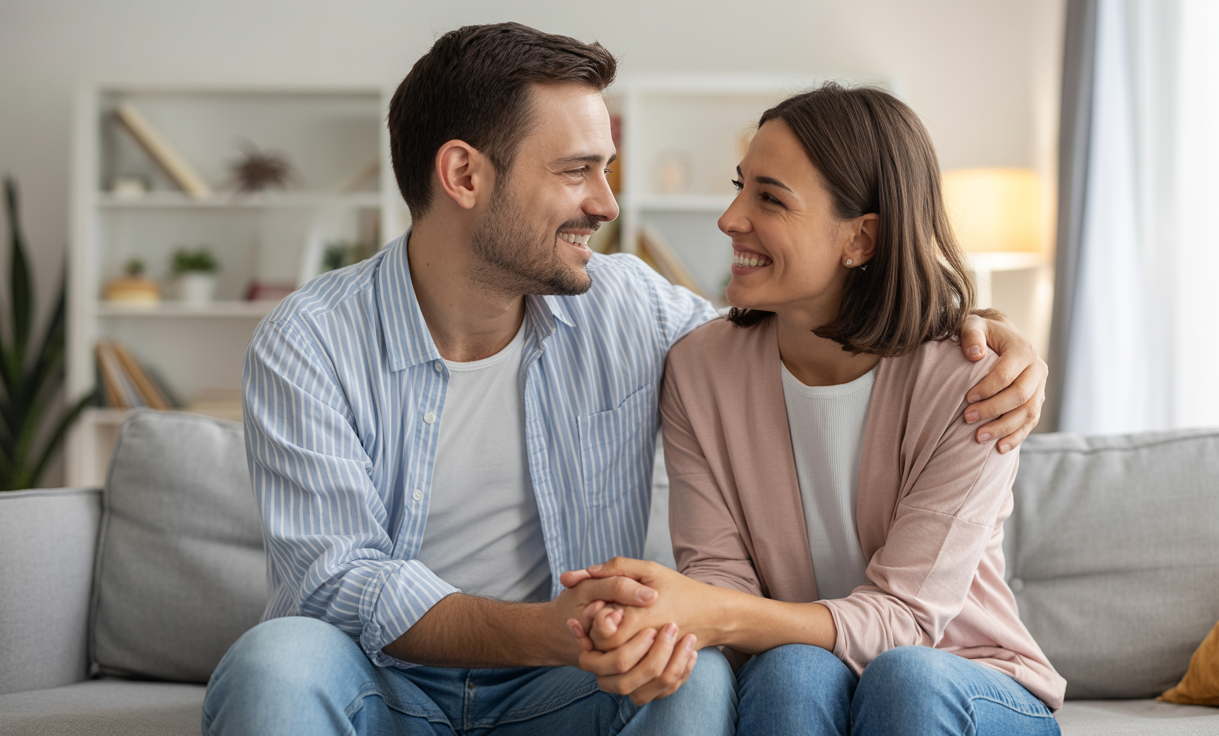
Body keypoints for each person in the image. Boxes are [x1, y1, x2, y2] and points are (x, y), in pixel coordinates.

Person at [201, 22, 1051, 736]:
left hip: (572, 683)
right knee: (273, 660)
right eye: (577, 170)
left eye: (605, 168)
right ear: (463, 175)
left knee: (696, 680)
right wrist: (552, 631)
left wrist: (990, 335)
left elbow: (795, 329)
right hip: (384, 676)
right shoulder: (309, 341)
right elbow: (337, 581)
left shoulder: (636, 313)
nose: (607, 204)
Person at [572, 85, 1065, 736]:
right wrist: (667, 609)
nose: (730, 218)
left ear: (861, 239)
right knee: (788, 671)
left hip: (970, 677)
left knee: (906, 678)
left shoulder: (973, 383)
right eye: (739, 186)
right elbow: (720, 579)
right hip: (805, 665)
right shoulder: (699, 368)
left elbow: (908, 623)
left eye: (770, 198)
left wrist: (709, 611)